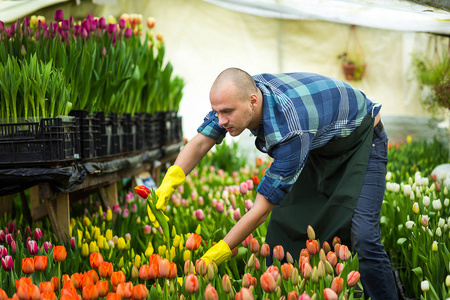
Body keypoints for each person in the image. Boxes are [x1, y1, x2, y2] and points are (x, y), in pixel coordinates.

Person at [152, 68, 398, 299]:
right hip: (320, 142)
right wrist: (168, 182)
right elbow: (201, 142)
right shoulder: (238, 96)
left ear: (253, 101)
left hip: (362, 141)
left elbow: (260, 212)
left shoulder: (290, 131)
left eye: (227, 112)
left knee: (364, 236)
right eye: (217, 112)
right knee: (285, 225)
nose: (221, 120)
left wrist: (220, 252)